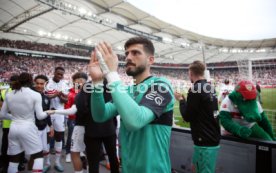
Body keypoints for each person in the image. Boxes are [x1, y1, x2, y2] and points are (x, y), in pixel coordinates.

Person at [88, 37, 175, 173]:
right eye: (127, 53)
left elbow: (136, 121)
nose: (128, 57)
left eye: (135, 53)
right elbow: (100, 115)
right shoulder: (127, 91)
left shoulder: (161, 86)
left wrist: (111, 74)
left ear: (150, 60)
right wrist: (97, 83)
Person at [47, 79, 119, 173]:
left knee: (93, 161)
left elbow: (78, 108)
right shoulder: (112, 85)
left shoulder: (87, 87)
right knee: (112, 158)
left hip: (92, 129)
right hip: (108, 129)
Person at [175, 60, 220, 173]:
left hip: (204, 142)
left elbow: (187, 116)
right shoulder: (210, 87)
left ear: (191, 73)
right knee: (197, 169)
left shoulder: (195, 88)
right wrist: (185, 101)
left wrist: (181, 100)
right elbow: (201, 111)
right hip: (210, 137)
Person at [0, 72, 49, 173]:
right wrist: (49, 112)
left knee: (14, 159)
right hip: (28, 127)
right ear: (31, 81)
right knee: (38, 156)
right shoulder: (35, 95)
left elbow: (2, 114)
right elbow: (40, 116)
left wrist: (14, 117)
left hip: (13, 128)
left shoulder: (9, 94)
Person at [0, 75, 26, 173]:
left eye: (16, 81)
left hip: (19, 123)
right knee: (6, 146)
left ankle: (20, 161)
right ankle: (5, 163)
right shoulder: (4, 92)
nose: (14, 83)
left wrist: (10, 109)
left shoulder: (23, 93)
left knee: (20, 144)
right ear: (10, 82)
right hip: (8, 124)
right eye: (12, 81)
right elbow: (2, 106)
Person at [45, 67, 69, 172]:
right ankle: (46, 163)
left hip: (59, 113)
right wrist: (57, 94)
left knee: (59, 136)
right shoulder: (47, 83)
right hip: (47, 112)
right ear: (54, 73)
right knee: (46, 137)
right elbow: (45, 97)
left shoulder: (64, 84)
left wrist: (59, 96)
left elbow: (66, 99)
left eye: (61, 74)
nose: (60, 76)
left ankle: (57, 162)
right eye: (58, 74)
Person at [28, 75, 54, 172]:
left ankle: (46, 164)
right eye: (37, 83)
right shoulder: (29, 95)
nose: (39, 86)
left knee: (44, 149)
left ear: (45, 84)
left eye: (41, 84)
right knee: (34, 154)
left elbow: (47, 113)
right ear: (34, 82)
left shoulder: (46, 97)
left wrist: (51, 126)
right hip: (32, 128)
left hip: (43, 127)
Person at [64, 72, 88, 163]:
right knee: (71, 136)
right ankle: (68, 153)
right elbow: (67, 107)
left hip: (85, 119)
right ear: (74, 82)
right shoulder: (70, 92)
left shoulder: (88, 91)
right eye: (77, 81)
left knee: (82, 136)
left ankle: (81, 151)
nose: (80, 83)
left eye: (82, 81)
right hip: (73, 118)